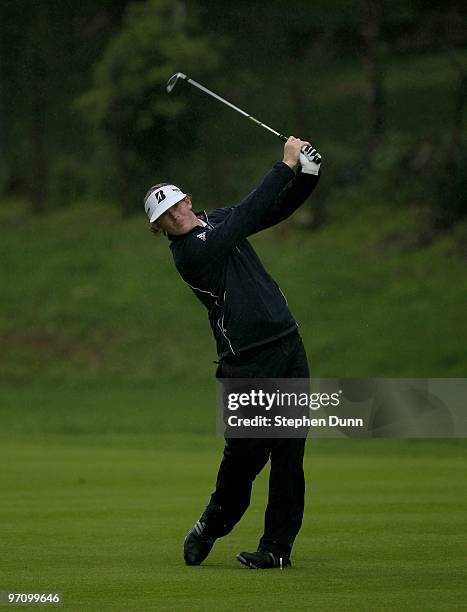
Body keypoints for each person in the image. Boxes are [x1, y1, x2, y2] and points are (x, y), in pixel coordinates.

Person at [144, 137, 321, 569]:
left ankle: (276, 549)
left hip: (286, 345)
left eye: (177, 206)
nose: (175, 216)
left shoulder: (216, 221)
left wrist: (309, 175)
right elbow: (246, 215)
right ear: (159, 229)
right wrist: (284, 165)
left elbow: (272, 210)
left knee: (288, 453)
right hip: (245, 362)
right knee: (244, 460)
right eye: (165, 217)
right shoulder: (190, 253)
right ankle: (211, 525)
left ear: (189, 201)